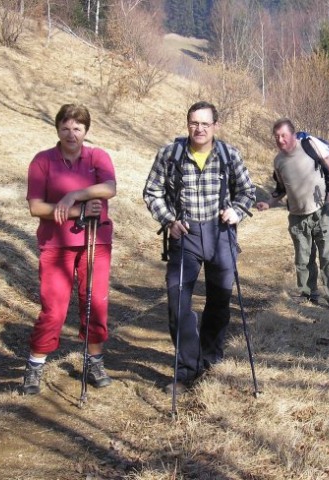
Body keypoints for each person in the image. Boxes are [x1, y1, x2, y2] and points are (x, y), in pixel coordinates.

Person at [143, 101, 255, 394]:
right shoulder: (171, 154)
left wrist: (237, 212)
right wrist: (169, 220)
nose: (200, 128)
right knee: (177, 303)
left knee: (218, 303)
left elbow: (247, 192)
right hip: (185, 234)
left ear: (215, 126)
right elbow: (152, 191)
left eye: (205, 123)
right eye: (194, 122)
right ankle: (186, 370)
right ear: (187, 124)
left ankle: (210, 360)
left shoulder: (229, 155)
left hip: (221, 235)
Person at [23, 104, 117, 395]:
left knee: (95, 303)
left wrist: (75, 194)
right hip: (56, 245)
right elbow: (36, 207)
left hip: (95, 242)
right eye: (66, 127)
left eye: (78, 128)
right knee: (53, 310)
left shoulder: (97, 157)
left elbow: (110, 187)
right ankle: (35, 365)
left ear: (86, 131)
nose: (71, 133)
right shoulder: (42, 161)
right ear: (57, 129)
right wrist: (77, 210)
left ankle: (94, 361)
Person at [256, 118, 329, 309]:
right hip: (297, 216)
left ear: (293, 135)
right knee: (303, 259)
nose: (280, 140)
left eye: (284, 135)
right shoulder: (278, 161)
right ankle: (308, 295)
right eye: (277, 136)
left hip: (321, 210)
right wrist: (269, 204)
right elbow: (281, 189)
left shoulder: (309, 145)